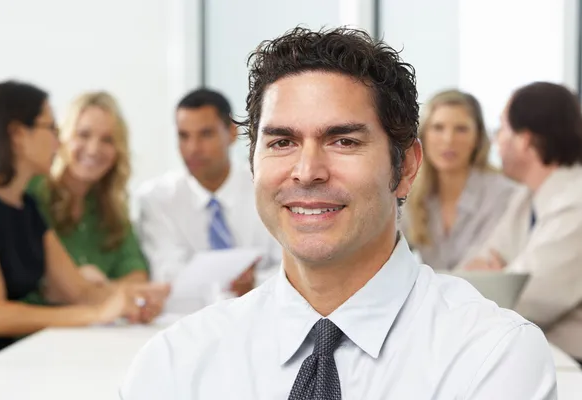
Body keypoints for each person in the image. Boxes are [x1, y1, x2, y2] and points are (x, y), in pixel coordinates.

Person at [121, 28, 555, 399]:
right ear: (253, 165)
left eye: (343, 141)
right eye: (281, 142)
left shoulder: (492, 355)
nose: (307, 171)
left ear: (405, 167)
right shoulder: (175, 364)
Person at [0, 81, 167, 361]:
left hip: (15, 359)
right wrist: (96, 312)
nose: (58, 142)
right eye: (50, 129)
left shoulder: (27, 207)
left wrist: (130, 302)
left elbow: (76, 290)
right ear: (18, 134)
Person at [462, 82, 582, 364]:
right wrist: (501, 274)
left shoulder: (576, 201)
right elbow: (475, 267)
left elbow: (528, 298)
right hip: (537, 353)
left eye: (502, 129)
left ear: (525, 140)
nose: (496, 140)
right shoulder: (525, 197)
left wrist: (500, 275)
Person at [135, 89, 280, 306]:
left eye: (205, 134)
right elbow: (167, 277)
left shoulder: (269, 188)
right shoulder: (157, 199)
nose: (193, 148)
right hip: (186, 320)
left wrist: (255, 282)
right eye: (183, 136)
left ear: (232, 133)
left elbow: (294, 267)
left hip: (266, 310)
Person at [26, 91, 150, 288]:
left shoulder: (113, 208)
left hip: (96, 319)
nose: (93, 149)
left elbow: (137, 276)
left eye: (107, 140)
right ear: (62, 138)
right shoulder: (33, 194)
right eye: (83, 135)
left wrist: (100, 290)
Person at [403, 90, 516, 270]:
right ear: (423, 136)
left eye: (461, 129)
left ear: (477, 138)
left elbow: (486, 266)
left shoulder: (504, 193)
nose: (448, 140)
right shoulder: (409, 193)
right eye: (438, 128)